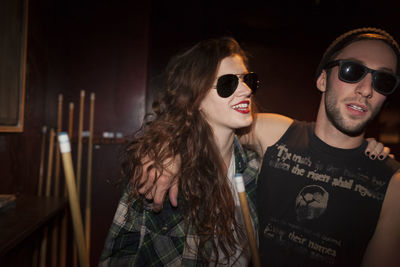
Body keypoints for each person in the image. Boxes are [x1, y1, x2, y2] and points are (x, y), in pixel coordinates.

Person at [139, 27, 400, 267]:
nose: (366, 89)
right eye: (352, 71)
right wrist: (169, 150)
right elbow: (203, 128)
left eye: (383, 81)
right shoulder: (274, 133)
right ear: (322, 79)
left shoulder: (393, 184)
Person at [99, 37, 261, 266]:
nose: (245, 90)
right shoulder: (159, 171)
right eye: (228, 83)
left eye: (248, 80)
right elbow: (118, 256)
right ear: (196, 99)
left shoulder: (254, 169)